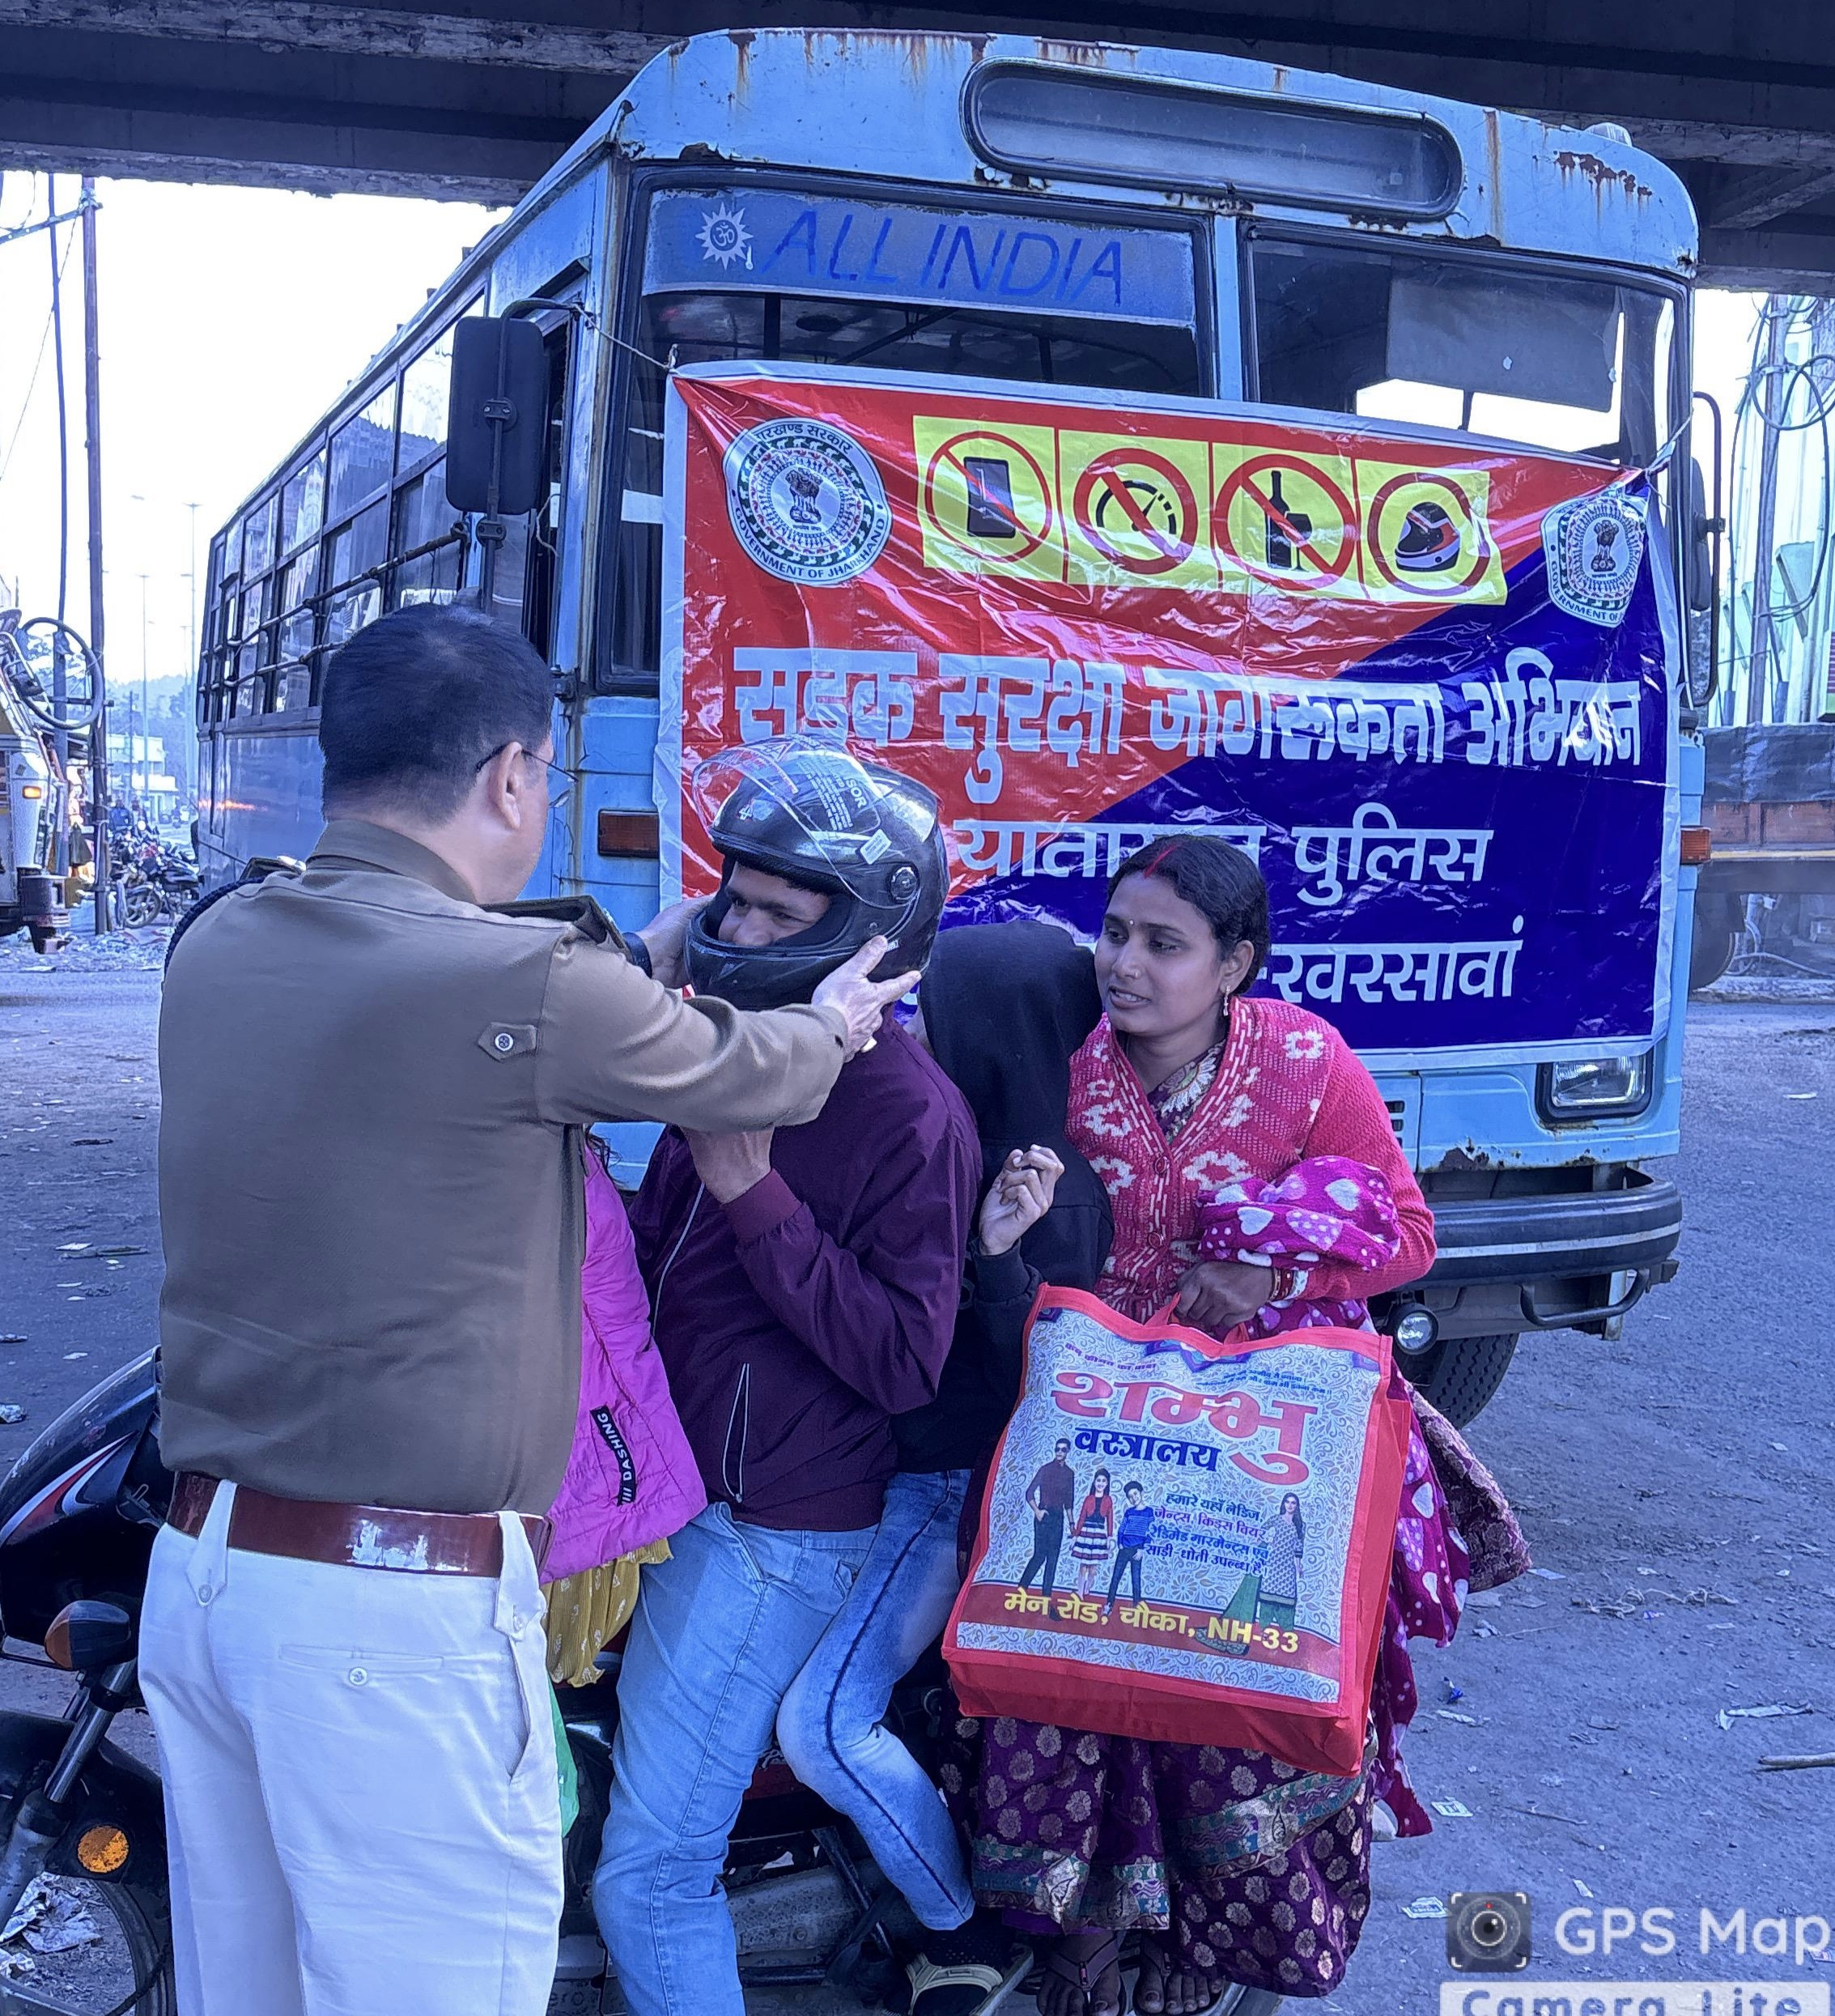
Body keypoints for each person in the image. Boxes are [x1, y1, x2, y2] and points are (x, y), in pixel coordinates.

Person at [144, 609, 907, 2016]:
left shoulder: (224, 941)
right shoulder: (525, 987)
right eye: (545, 779)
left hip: (206, 1582)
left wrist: (629, 953)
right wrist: (834, 1021)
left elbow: (456, 990)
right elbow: (760, 1073)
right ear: (510, 777)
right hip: (383, 1622)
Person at [959, 835, 1524, 2016]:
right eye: (1115, 933)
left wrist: (1270, 1275)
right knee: (1078, 1682)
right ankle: (1083, 1934)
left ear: (1234, 965)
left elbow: (1408, 1235)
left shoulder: (1304, 1063)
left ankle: (1210, 1945)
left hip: (1256, 1447)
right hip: (1095, 1427)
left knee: (1233, 1695)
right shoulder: (1058, 1062)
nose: (1123, 964)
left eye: (1163, 945)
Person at [594, 742, 980, 2016]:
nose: (740, 930)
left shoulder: (906, 1112)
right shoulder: (738, 1050)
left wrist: (751, 1192)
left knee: (651, 1878)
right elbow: (659, 1260)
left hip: (770, 1528)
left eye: (777, 914)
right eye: (734, 900)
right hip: (669, 1483)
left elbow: (901, 1358)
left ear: (868, 939)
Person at [772, 919, 1113, 1977]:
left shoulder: (1048, 1191)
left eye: (937, 1016)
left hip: (947, 1487)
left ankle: (957, 1930)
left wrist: (994, 1257)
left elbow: (1039, 1383)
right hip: (883, 1470)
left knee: (824, 1725)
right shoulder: (938, 1141)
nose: (913, 1035)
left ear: (995, 1033)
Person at [1018, 1438, 1076, 1597]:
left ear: (1068, 1451)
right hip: (1044, 1515)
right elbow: (1029, 1493)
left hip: (1058, 1518)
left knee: (1053, 1559)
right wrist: (1037, 1511)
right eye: (1057, 1449)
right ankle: (1021, 1589)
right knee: (1039, 1555)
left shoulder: (1069, 1474)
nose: (1059, 1452)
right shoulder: (1045, 1469)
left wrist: (1072, 1523)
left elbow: (1069, 1501)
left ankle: (1046, 1598)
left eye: (1063, 1449)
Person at [1102, 1482, 1153, 1619]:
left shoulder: (1149, 1512)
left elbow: (1151, 1531)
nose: (1134, 1498)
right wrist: (1120, 1543)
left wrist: (1142, 1549)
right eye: (1130, 1496)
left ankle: (1137, 1606)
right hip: (1124, 1549)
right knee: (1115, 1577)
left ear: (1142, 1493)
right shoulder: (1129, 1512)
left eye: (1135, 1494)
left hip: (1137, 1550)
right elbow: (1122, 1528)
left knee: (1136, 1579)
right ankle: (1109, 1604)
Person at [1255, 1494, 1306, 1630]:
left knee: (1288, 1597)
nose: (1290, 1505)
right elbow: (1261, 1531)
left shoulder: (1300, 1525)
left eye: (1293, 1503)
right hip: (1273, 1562)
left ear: (1297, 1506)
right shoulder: (1276, 1519)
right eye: (1287, 1502)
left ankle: (1286, 1630)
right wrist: (1264, 1542)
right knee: (1267, 1595)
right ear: (1283, 1504)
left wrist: (1299, 1566)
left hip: (1288, 1565)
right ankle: (1263, 1627)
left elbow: (1299, 1547)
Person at [1068, 1469, 1115, 1602]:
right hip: (1086, 1532)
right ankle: (1079, 1592)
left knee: (1093, 1568)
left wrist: (1109, 1537)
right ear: (1094, 1482)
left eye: (1104, 1481)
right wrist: (1075, 1536)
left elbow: (1110, 1519)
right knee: (1083, 1566)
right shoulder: (1088, 1499)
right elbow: (1082, 1517)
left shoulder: (1108, 1500)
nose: (1101, 1483)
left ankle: (1087, 1587)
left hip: (1099, 1534)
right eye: (1098, 1480)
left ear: (1107, 1484)